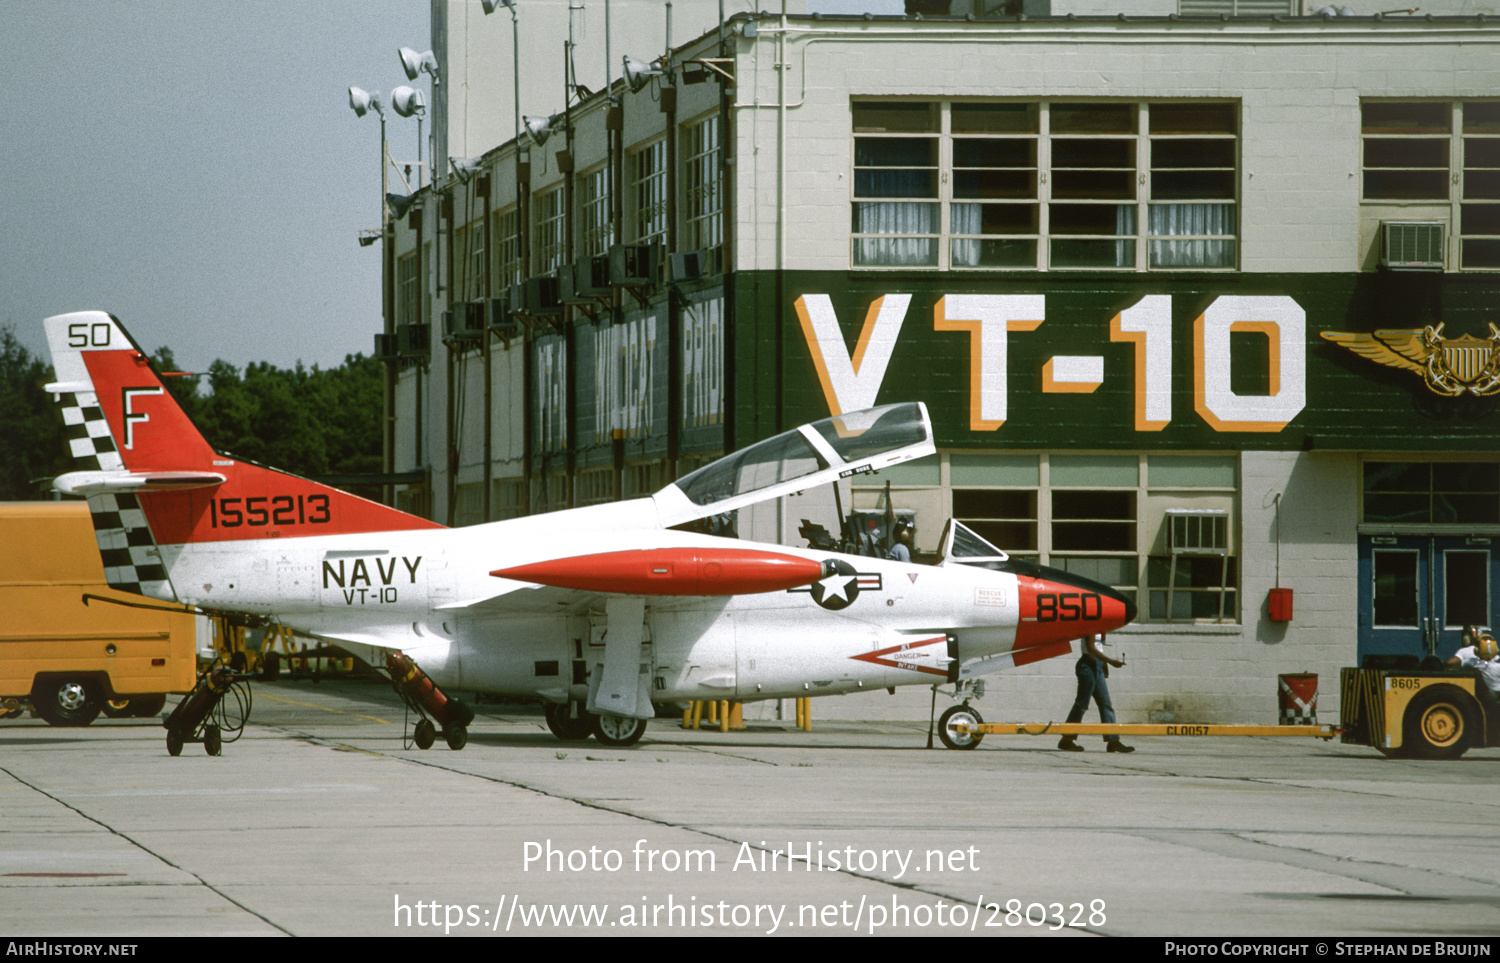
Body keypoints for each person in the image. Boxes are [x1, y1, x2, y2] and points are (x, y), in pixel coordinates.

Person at [1058, 633, 1133, 753]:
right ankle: (1066, 740)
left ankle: (1113, 741)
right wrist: (1110, 661)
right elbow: (1090, 648)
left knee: (1106, 704)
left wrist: (1104, 665)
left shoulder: (1100, 626)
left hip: (1097, 665)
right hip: (1088, 664)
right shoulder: (1093, 622)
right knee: (1082, 703)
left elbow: (1098, 648)